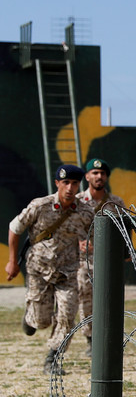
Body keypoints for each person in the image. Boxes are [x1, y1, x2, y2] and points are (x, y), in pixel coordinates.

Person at [5, 165, 96, 374]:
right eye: (66, 183)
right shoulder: (40, 206)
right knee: (42, 321)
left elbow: (93, 235)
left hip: (68, 272)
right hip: (39, 270)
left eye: (74, 183)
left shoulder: (85, 212)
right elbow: (14, 228)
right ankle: (31, 318)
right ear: (57, 183)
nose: (70, 188)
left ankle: (53, 359)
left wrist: (89, 244)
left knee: (67, 315)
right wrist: (12, 261)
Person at [76, 158, 127, 356]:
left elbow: (124, 229)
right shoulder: (78, 201)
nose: (99, 176)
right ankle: (91, 340)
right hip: (84, 261)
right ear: (87, 176)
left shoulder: (115, 203)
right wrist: (77, 243)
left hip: (109, 260)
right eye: (94, 173)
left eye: (102, 173)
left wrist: (126, 251)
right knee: (86, 299)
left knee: (109, 299)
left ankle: (108, 337)